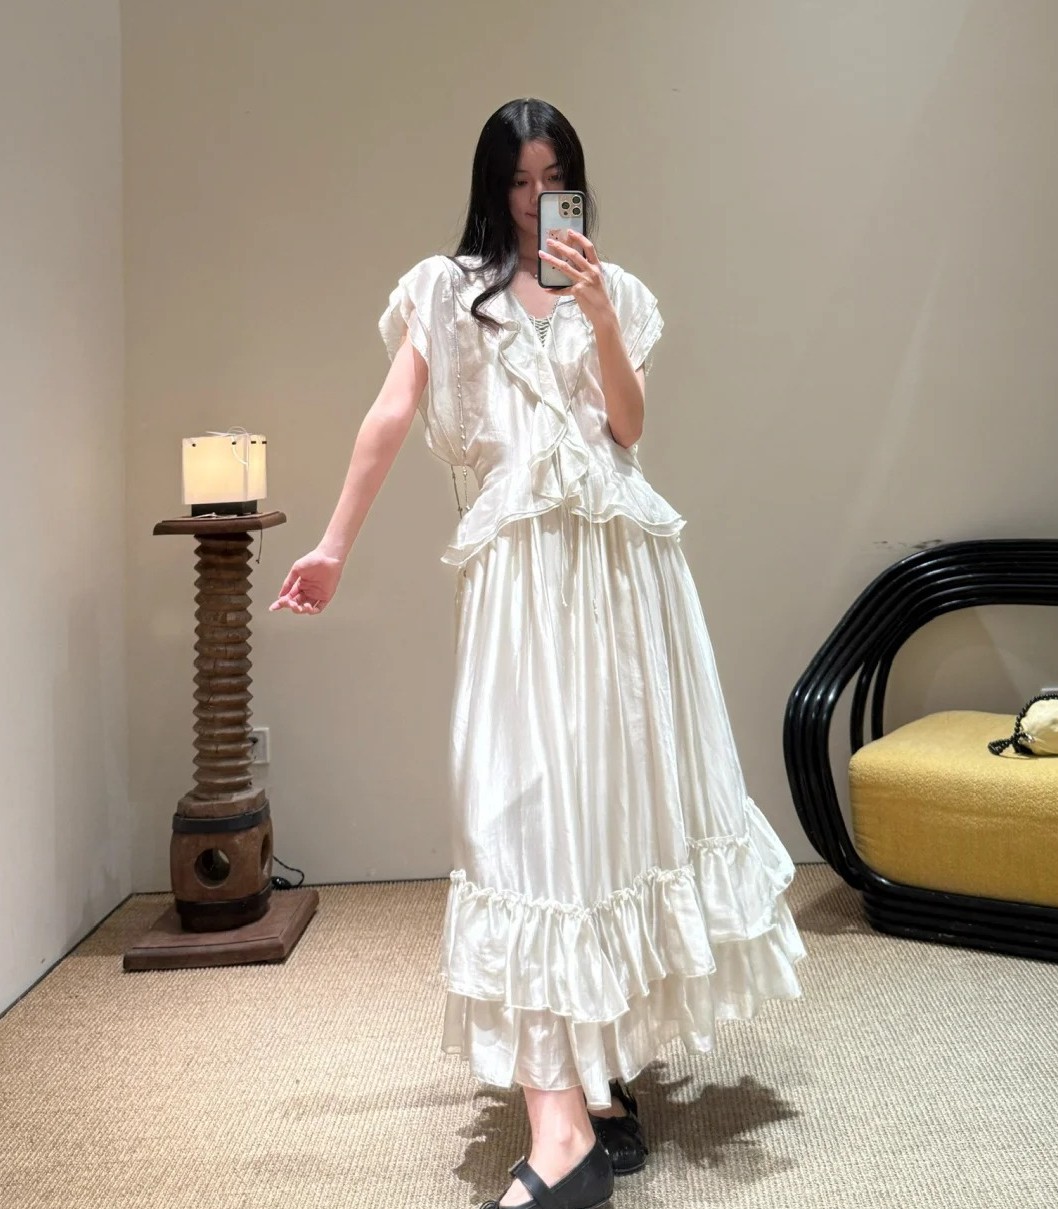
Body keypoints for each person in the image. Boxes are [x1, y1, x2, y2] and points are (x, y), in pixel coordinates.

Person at [271, 98, 806, 1209]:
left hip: (621, 573)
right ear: (491, 185)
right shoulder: (443, 288)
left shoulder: (618, 292)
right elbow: (389, 415)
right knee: (520, 816)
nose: (533, 200)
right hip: (521, 577)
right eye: (517, 180)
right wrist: (331, 547)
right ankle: (561, 1118)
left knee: (614, 814)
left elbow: (627, 429)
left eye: (552, 178)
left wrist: (600, 314)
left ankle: (595, 1088)